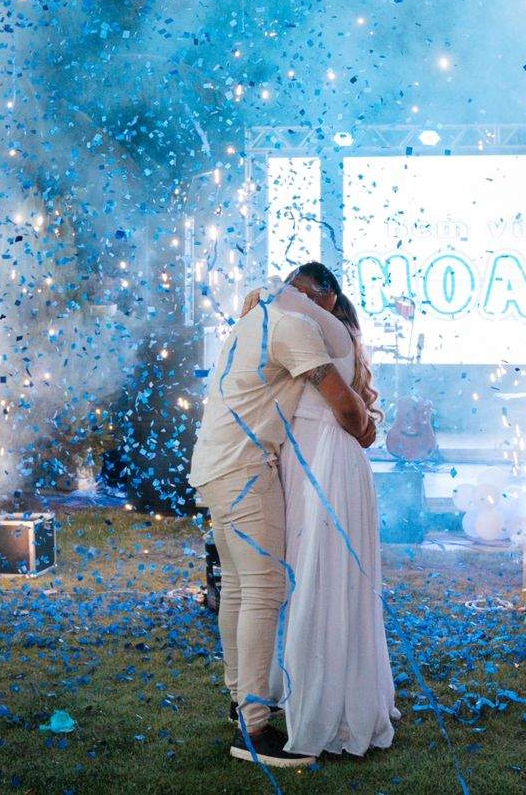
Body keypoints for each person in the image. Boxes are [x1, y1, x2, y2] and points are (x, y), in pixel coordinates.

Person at [188, 264, 374, 770]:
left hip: (216, 464)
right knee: (265, 590)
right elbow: (344, 404)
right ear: (322, 298)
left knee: (242, 589)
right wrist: (365, 429)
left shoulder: (259, 318)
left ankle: (239, 700)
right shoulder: (294, 327)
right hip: (246, 469)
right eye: (328, 308)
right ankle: (253, 727)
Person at [267, 262, 399, 758]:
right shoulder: (311, 330)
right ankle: (315, 691)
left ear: (325, 297)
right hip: (308, 459)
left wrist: (279, 290)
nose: (292, 296)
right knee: (310, 574)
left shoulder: (324, 330)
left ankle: (332, 708)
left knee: (326, 577)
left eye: (303, 290)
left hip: (326, 461)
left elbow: (276, 297)